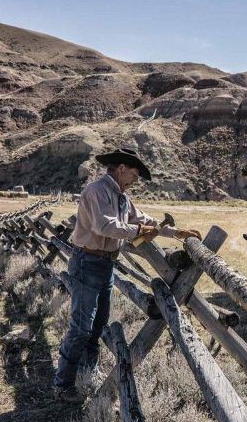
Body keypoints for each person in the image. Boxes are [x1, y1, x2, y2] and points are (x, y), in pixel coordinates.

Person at [53, 148, 201, 403]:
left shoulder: (122, 197)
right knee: (81, 327)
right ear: (121, 169)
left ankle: (88, 372)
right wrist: (138, 230)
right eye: (133, 174)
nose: (134, 180)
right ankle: (63, 383)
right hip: (87, 262)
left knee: (97, 324)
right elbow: (105, 226)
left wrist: (176, 233)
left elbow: (143, 220)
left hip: (104, 263)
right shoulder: (97, 191)